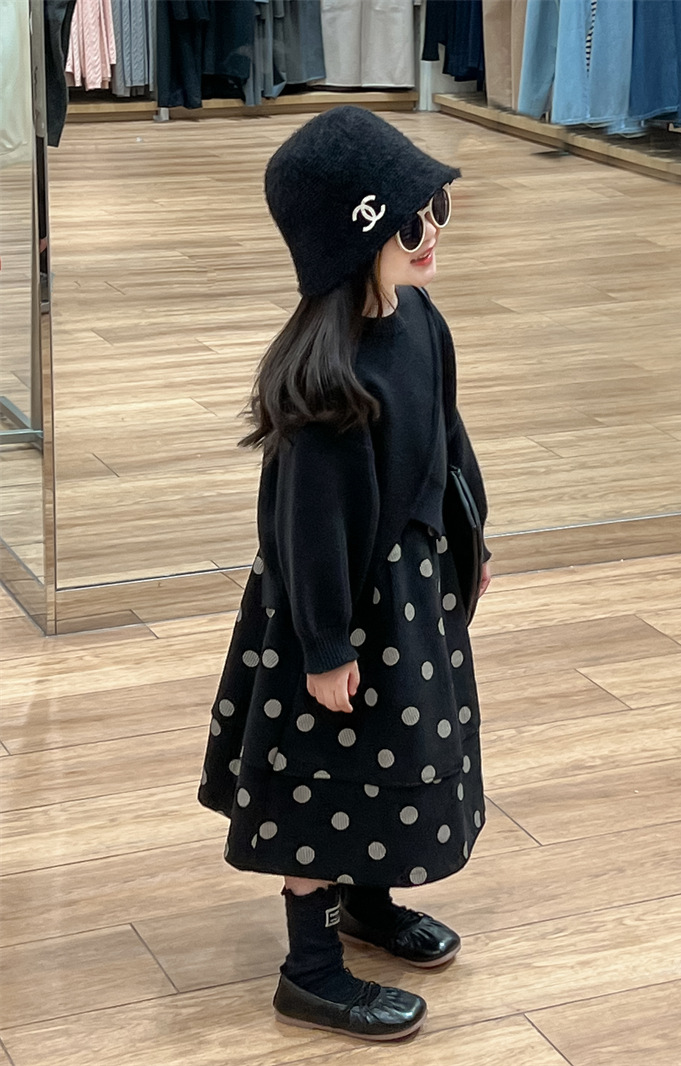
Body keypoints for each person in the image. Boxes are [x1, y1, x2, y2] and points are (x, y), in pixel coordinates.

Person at [198, 105, 492, 1043]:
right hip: (335, 611)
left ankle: (368, 899)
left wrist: (472, 543)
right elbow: (308, 531)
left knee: (390, 757)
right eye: (409, 222)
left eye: (438, 207)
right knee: (324, 778)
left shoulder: (423, 321)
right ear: (353, 241)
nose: (432, 231)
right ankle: (311, 970)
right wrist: (324, 646)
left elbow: (447, 440)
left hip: (411, 596)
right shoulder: (327, 381)